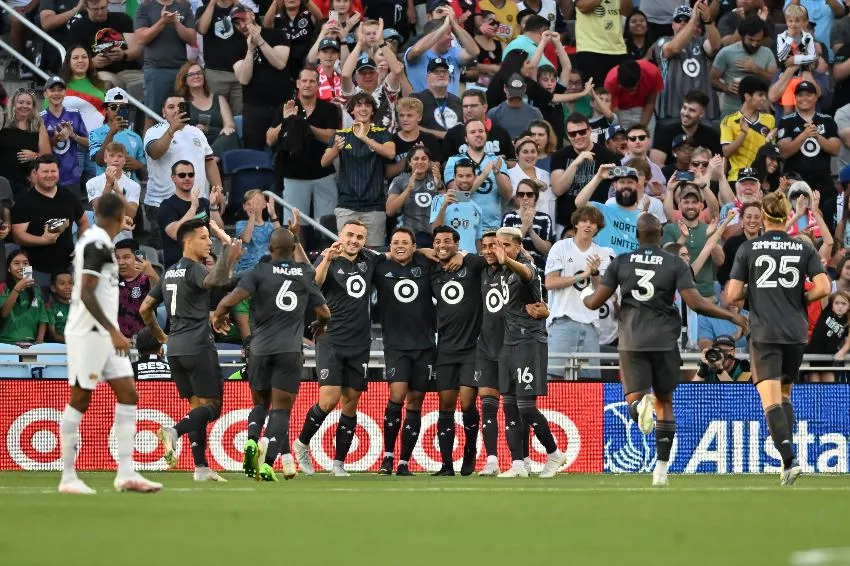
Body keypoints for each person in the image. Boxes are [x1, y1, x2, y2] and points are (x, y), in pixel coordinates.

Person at [583, 213, 748, 487]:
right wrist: (730, 316)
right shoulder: (674, 263)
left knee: (635, 402)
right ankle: (661, 470)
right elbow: (696, 303)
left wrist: (588, 291)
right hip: (664, 341)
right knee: (665, 403)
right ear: (661, 236)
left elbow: (594, 302)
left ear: (637, 236)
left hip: (633, 341)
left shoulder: (621, 262)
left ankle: (638, 405)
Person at [59, 192, 161, 494]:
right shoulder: (98, 244)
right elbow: (88, 292)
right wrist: (112, 330)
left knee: (128, 393)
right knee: (80, 397)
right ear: (121, 217)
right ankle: (67, 477)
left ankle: (126, 472)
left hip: (104, 333)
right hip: (87, 333)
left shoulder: (99, 241)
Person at [725, 192, 830, 485]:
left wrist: (754, 290)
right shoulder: (802, 248)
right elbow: (823, 287)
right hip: (795, 332)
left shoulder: (749, 248)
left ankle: (789, 461)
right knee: (784, 394)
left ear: (764, 217)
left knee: (769, 398)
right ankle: (789, 458)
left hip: (765, 331)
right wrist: (801, 298)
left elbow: (732, 294)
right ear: (785, 215)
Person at [213, 227, 329, 481]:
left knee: (260, 404)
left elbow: (229, 301)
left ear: (269, 249)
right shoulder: (304, 274)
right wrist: (320, 325)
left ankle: (252, 439)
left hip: (259, 350)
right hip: (289, 351)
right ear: (293, 248)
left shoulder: (258, 272)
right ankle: (267, 465)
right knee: (281, 412)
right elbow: (324, 311)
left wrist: (217, 316)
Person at [141, 220, 243, 482]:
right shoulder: (193, 269)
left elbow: (145, 309)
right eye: (204, 238)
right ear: (188, 242)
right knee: (214, 407)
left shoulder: (169, 273)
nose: (208, 242)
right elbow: (217, 279)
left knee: (197, 406)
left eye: (209, 238)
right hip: (198, 346)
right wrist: (227, 253)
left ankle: (200, 468)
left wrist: (161, 336)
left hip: (175, 349)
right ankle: (173, 431)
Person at [291, 221, 381, 476]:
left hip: (360, 342)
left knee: (350, 402)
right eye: (350, 235)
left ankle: (338, 463)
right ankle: (301, 444)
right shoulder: (327, 257)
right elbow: (313, 286)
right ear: (340, 236)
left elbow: (398, 254)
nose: (354, 240)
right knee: (329, 400)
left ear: (365, 240)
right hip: (331, 339)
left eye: (359, 237)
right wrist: (327, 260)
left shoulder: (370, 260)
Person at [490, 227, 565, 478]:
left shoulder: (526, 269)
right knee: (509, 406)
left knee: (525, 407)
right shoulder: (501, 270)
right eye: (497, 245)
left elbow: (526, 273)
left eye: (506, 245)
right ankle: (519, 464)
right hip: (508, 344)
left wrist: (508, 260)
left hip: (528, 343)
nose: (500, 250)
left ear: (518, 246)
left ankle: (554, 453)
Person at [372, 227, 438, 476]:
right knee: (397, 395)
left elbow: (448, 253)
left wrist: (422, 250)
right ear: (389, 246)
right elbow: (366, 255)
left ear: (413, 246)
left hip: (424, 345)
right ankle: (388, 456)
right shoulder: (379, 266)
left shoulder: (425, 262)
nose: (400, 246)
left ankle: (404, 462)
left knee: (415, 402)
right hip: (396, 344)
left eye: (405, 242)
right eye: (395, 242)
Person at [429, 226, 487, 475]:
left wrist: (462, 255)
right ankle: (446, 464)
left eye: (447, 241)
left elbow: (487, 257)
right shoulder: (431, 270)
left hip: (471, 348)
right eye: (438, 242)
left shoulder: (472, 264)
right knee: (445, 406)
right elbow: (418, 251)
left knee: (467, 405)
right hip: (444, 349)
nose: (442, 245)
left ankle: (470, 452)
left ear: (457, 243)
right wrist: (439, 252)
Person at [267, 67, 341, 227]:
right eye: (304, 81)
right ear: (298, 84)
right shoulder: (285, 107)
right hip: (293, 175)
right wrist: (287, 120)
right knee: (294, 225)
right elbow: (270, 139)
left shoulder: (329, 109)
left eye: (312, 81)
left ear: (318, 85)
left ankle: (325, 252)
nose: (308, 84)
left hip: (324, 175)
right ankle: (298, 253)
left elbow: (331, 136)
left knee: (327, 224)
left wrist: (304, 125)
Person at [545, 206, 613, 379]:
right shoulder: (560, 247)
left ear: (598, 228)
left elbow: (601, 292)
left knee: (591, 381)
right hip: (562, 321)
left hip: (591, 325)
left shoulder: (602, 253)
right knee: (552, 378)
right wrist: (582, 276)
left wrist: (595, 273)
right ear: (576, 223)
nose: (588, 225)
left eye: (593, 222)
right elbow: (550, 282)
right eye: (584, 221)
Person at [321, 92, 395, 246]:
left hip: (375, 207)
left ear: (372, 111)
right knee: (345, 253)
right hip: (347, 205)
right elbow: (324, 162)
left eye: (367, 105)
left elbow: (390, 153)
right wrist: (335, 149)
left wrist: (363, 137)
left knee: (374, 255)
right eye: (359, 105)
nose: (363, 109)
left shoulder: (382, 134)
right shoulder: (340, 134)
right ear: (352, 111)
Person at [11, 156, 89, 286]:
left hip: (66, 268)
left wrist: (81, 244)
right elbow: (18, 236)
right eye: (45, 172)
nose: (49, 175)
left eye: (53, 171)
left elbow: (84, 222)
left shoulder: (69, 196)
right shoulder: (24, 202)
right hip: (32, 268)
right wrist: (43, 240)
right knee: (31, 303)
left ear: (58, 172)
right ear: (36, 174)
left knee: (66, 304)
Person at [145, 94, 223, 219]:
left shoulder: (197, 132)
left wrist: (219, 191)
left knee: (198, 239)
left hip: (197, 202)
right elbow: (154, 153)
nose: (176, 110)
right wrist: (172, 130)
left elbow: (209, 162)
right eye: (171, 107)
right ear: (163, 113)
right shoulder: (154, 130)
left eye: (180, 106)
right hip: (162, 203)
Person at [777, 80, 840, 234]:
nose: (804, 98)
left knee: (826, 223)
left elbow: (835, 149)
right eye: (800, 95)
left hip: (822, 183)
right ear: (795, 98)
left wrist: (817, 136)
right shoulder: (786, 121)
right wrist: (804, 135)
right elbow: (784, 151)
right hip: (795, 183)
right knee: (797, 224)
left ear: (815, 97)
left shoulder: (827, 120)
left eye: (808, 94)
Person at [232, 5, 292, 150]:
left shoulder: (276, 34)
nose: (242, 25)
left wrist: (259, 41)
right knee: (253, 150)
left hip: (281, 104)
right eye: (237, 23)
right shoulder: (236, 45)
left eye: (243, 19)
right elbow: (244, 79)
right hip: (254, 107)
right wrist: (250, 50)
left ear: (252, 15)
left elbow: (280, 63)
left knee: (284, 149)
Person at [133, 0, 197, 130]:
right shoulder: (145, 7)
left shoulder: (184, 8)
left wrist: (176, 22)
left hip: (181, 71)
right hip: (156, 70)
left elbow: (192, 39)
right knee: (152, 116)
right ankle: (149, 150)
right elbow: (141, 39)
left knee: (183, 116)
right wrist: (162, 21)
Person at [654, 3, 721, 122]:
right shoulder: (662, 41)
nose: (683, 24)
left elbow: (715, 46)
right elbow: (674, 49)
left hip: (703, 112)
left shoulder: (701, 42)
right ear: (672, 25)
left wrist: (708, 21)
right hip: (671, 110)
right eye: (678, 20)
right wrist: (693, 20)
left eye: (687, 20)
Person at [67, 0, 144, 102]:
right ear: (86, 7)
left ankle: (145, 117)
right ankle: (110, 116)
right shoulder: (78, 27)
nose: (100, 12)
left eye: (103, 8)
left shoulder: (122, 19)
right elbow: (73, 61)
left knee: (152, 82)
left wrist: (123, 54)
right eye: (95, 9)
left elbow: (136, 50)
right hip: (100, 72)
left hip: (129, 70)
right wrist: (92, 62)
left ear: (108, 4)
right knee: (106, 83)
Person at [444, 120, 512, 232]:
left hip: (491, 229)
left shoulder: (497, 160)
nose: (478, 134)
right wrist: (484, 175)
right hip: (464, 227)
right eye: (473, 132)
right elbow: (458, 196)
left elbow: (507, 195)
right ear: (466, 138)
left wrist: (497, 174)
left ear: (486, 135)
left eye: (481, 131)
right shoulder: (454, 161)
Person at [157, 160, 226, 268]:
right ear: (173, 178)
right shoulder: (167, 205)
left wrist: (213, 207)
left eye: (191, 174)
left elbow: (219, 232)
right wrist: (193, 208)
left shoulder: (204, 202)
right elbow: (175, 233)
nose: (187, 178)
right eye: (182, 175)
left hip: (202, 266)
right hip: (178, 267)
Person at [710, 15, 776, 117]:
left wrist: (757, 70)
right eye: (751, 40)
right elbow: (712, 79)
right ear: (742, 36)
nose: (754, 44)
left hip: (760, 111)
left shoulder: (767, 53)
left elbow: (774, 80)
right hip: (731, 110)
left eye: (758, 41)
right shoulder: (726, 52)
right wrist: (726, 88)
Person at [405, 7, 480, 95]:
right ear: (437, 35)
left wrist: (454, 24)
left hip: (451, 107)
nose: (452, 38)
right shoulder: (419, 54)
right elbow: (416, 50)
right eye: (448, 34)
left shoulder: (454, 53)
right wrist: (444, 26)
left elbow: (474, 52)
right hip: (423, 107)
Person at [194, 0, 248, 114]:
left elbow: (249, 29)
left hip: (240, 72)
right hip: (215, 73)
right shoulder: (203, 10)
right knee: (216, 114)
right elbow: (202, 29)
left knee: (240, 115)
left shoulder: (242, 9)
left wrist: (237, 5)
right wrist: (212, 3)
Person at [174, 62, 240, 155]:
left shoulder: (219, 99)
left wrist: (228, 127)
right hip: (196, 142)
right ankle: (211, 160)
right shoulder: (183, 102)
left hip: (219, 139)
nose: (196, 76)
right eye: (191, 74)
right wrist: (194, 130)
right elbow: (181, 129)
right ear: (185, 81)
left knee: (231, 135)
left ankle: (209, 159)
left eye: (199, 73)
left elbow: (230, 124)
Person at [40, 76, 89, 196]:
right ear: (45, 94)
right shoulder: (40, 118)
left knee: (73, 214)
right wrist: (55, 139)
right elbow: (40, 151)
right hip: (49, 176)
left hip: (72, 176)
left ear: (65, 92)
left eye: (60, 90)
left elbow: (89, 144)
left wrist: (73, 135)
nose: (56, 93)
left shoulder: (74, 114)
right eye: (52, 90)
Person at [387, 146, 444, 247]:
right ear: (409, 162)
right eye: (416, 159)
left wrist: (439, 184)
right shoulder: (399, 180)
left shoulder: (435, 178)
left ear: (429, 162)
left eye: (424, 158)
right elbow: (390, 211)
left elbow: (446, 206)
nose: (420, 162)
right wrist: (408, 189)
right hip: (409, 235)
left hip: (433, 236)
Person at [719, 76, 773, 181]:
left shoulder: (769, 119)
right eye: (760, 95)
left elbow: (771, 154)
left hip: (761, 179)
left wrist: (769, 143)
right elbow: (726, 152)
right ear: (748, 96)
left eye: (765, 95)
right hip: (737, 178)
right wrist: (743, 134)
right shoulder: (729, 120)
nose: (764, 98)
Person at [0, 89, 52, 197]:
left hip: (25, 183)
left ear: (33, 106)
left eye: (29, 103)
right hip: (2, 180)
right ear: (14, 103)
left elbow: (47, 155)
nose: (24, 106)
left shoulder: (38, 125)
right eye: (21, 102)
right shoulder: (3, 120)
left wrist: (35, 155)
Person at [89, 87, 146, 183]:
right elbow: (99, 161)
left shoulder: (136, 137)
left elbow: (144, 168)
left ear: (127, 110)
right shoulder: (95, 134)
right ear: (106, 110)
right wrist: (111, 132)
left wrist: (138, 165)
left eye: (122, 107)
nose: (117, 110)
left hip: (130, 191)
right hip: (105, 189)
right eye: (113, 107)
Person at [86, 142, 141, 241]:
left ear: (125, 160)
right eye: (111, 156)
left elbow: (132, 214)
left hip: (124, 238)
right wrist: (108, 185)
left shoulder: (134, 186)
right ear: (105, 158)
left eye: (120, 156)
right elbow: (98, 208)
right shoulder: (92, 183)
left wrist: (118, 192)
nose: (116, 159)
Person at [651, 91, 722, 165]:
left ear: (701, 114)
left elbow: (720, 166)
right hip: (670, 175)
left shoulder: (712, 136)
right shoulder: (665, 132)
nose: (685, 113)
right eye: (684, 108)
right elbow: (656, 167)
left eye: (692, 110)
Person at [431, 159, 486, 253]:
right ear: (454, 177)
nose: (464, 180)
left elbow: (477, 241)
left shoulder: (477, 208)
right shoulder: (439, 199)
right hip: (448, 260)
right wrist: (444, 206)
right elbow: (434, 231)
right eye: (460, 176)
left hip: (470, 262)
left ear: (475, 177)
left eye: (468, 176)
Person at [501, 179, 553, 271]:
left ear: (535, 197)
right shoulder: (509, 217)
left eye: (529, 194)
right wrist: (524, 227)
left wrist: (531, 231)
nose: (525, 198)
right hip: (514, 266)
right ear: (517, 197)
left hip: (538, 268)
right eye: (521, 194)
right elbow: (506, 246)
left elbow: (546, 250)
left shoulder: (545, 218)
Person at [0, 249, 48, 345]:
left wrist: (39, 339)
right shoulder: (3, 288)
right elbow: (4, 313)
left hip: (30, 344)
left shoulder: (36, 290)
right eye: (16, 263)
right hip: (6, 343)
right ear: (9, 268)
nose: (21, 267)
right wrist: (17, 289)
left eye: (25, 263)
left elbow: (43, 318)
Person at [603, 59, 663, 133]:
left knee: (646, 141)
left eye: (633, 88)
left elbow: (650, 102)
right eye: (627, 89)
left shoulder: (653, 73)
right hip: (621, 111)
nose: (631, 92)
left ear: (640, 78)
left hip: (643, 109)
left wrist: (642, 128)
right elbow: (614, 110)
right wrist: (621, 133)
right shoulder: (611, 81)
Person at [115, 239, 159, 339]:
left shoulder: (146, 279)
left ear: (137, 258)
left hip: (145, 341)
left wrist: (151, 273)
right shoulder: (111, 281)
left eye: (126, 257)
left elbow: (160, 292)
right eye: (117, 258)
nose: (121, 262)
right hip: (118, 342)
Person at [411, 58, 463, 138]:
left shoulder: (457, 101)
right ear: (428, 77)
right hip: (427, 147)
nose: (441, 74)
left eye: (444, 71)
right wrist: (443, 135)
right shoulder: (417, 99)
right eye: (436, 72)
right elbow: (410, 125)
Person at [487, 73, 543, 139]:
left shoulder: (535, 113)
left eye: (518, 93)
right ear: (505, 88)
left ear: (525, 89)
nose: (515, 97)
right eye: (513, 93)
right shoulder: (494, 113)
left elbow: (541, 136)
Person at [47, 271, 73, 343]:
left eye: (70, 283)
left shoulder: (79, 307)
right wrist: (75, 342)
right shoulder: (50, 308)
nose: (68, 287)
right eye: (62, 283)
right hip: (59, 349)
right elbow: (55, 336)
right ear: (53, 288)